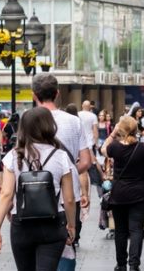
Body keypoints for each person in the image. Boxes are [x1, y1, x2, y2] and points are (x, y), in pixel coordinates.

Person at [0, 107, 76, 270]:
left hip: (22, 224)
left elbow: (6, 194)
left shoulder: (14, 156)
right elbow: (70, 198)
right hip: (53, 223)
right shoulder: (60, 156)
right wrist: (71, 225)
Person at [32, 74, 91, 250]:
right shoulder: (74, 121)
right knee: (65, 250)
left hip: (34, 193)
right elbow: (86, 162)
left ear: (34, 95)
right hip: (67, 195)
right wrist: (68, 172)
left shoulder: (28, 121)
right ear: (57, 94)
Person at [101, 116, 144, 271]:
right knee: (136, 229)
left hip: (119, 194)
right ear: (136, 129)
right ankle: (134, 265)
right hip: (140, 194)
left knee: (121, 230)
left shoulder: (114, 147)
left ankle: (121, 265)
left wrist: (113, 134)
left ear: (120, 129)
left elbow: (103, 150)